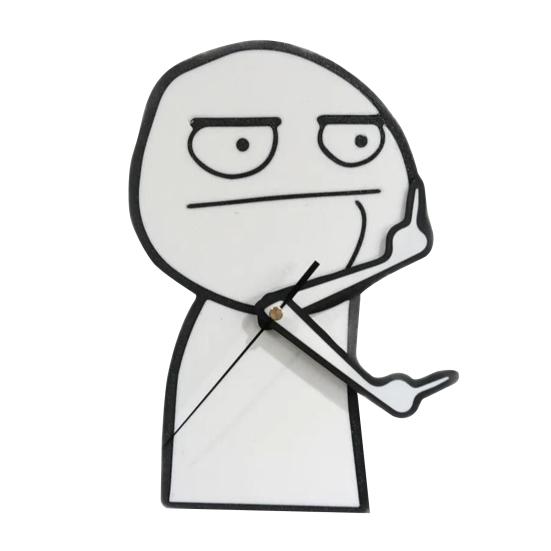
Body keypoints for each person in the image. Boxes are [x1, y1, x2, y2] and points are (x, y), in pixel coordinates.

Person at [130, 41, 457, 511]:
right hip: (225, 417)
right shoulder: (227, 270)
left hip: (309, 429)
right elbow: (281, 312)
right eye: (239, 147)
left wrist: (392, 259)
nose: (304, 177)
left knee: (317, 470)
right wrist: (392, 263)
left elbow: (285, 310)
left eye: (355, 142)